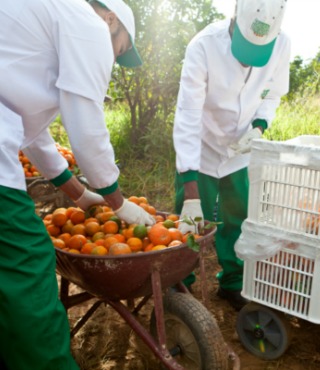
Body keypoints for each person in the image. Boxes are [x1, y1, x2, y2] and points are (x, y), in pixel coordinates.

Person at [0, 0, 155, 369]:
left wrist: (81, 194)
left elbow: (33, 137)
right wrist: (117, 202)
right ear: (111, 20)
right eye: (121, 49)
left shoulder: (46, 22)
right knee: (28, 258)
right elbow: (87, 131)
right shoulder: (87, 24)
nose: (115, 59)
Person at [173, 0, 291, 310]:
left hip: (242, 147)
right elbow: (187, 115)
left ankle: (232, 282)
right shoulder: (203, 47)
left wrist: (259, 126)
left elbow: (274, 93)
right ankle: (179, 285)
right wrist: (190, 189)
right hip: (202, 144)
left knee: (238, 218)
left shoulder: (283, 45)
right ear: (235, 18)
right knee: (188, 222)